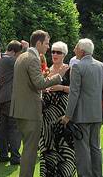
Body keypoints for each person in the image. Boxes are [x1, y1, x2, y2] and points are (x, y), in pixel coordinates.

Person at [10, 30, 65, 177]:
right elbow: (39, 84)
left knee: (27, 148)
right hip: (29, 111)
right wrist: (59, 76)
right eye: (47, 43)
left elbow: (31, 83)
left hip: (20, 110)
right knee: (30, 150)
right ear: (39, 43)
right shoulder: (32, 58)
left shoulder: (22, 56)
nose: (48, 47)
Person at [61, 38, 103, 177]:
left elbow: (74, 93)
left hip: (81, 115)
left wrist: (67, 116)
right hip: (97, 113)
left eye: (75, 47)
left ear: (81, 50)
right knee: (95, 147)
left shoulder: (78, 67)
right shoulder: (101, 66)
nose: (74, 50)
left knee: (83, 150)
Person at [39, 41, 74, 177]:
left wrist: (61, 88)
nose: (55, 54)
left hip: (62, 113)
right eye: (53, 51)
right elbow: (39, 87)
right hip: (47, 114)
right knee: (48, 145)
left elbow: (76, 90)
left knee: (63, 145)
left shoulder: (69, 70)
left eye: (58, 52)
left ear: (64, 54)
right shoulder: (46, 70)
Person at [0, 40, 23, 165]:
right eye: (19, 54)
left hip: (3, 97)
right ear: (13, 52)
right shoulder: (10, 60)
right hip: (11, 98)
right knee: (15, 128)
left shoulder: (1, 60)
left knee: (3, 128)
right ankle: (15, 157)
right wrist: (28, 50)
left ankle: (3, 155)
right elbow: (24, 64)